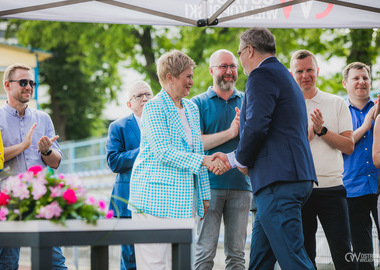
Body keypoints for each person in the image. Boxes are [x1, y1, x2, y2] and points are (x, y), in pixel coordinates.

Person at [214, 27, 317, 270]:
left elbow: (258, 126)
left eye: (239, 53)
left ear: (249, 50)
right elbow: (277, 132)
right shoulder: (283, 75)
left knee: (293, 260)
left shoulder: (261, 75)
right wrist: (232, 158)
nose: (239, 60)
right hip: (283, 178)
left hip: (278, 183)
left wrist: (239, 160)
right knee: (260, 260)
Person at [127, 50, 228, 269]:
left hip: (184, 203)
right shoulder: (153, 107)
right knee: (154, 265)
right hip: (151, 201)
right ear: (170, 76)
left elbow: (197, 148)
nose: (192, 81)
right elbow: (163, 151)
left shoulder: (191, 108)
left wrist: (203, 193)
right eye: (188, 76)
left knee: (182, 264)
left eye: (192, 76)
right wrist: (205, 161)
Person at [290, 50, 355, 270]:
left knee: (343, 251)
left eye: (309, 70)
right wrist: (308, 134)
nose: (305, 75)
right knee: (306, 254)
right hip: (301, 190)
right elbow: (286, 150)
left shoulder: (336, 103)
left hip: (332, 189)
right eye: (300, 71)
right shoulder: (285, 107)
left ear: (317, 71)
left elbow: (349, 146)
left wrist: (322, 130)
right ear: (292, 74)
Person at [0, 63, 67, 269]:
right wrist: (22, 146)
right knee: (7, 262)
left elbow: (55, 162)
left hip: (40, 199)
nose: (29, 86)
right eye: (23, 82)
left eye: (32, 83)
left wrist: (46, 151)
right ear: (7, 86)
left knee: (55, 262)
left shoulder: (43, 118)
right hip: (7, 201)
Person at [192, 49, 252, 270]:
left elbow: (255, 142)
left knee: (237, 255)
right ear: (211, 70)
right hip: (208, 188)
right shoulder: (196, 104)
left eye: (233, 66)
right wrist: (230, 133)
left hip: (241, 186)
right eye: (223, 66)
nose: (229, 71)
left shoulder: (248, 100)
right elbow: (194, 144)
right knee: (204, 252)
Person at [106, 81, 153, 270]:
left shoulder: (163, 124)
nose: (145, 99)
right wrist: (144, 150)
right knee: (131, 258)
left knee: (155, 256)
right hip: (128, 201)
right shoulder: (118, 127)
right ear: (129, 104)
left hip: (156, 200)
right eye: (139, 96)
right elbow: (114, 161)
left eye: (148, 94)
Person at [342, 62, 380, 270]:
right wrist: (366, 124)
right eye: (356, 78)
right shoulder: (340, 111)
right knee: (362, 252)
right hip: (353, 189)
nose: (361, 82)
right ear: (345, 83)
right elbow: (341, 147)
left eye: (365, 77)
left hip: (379, 186)